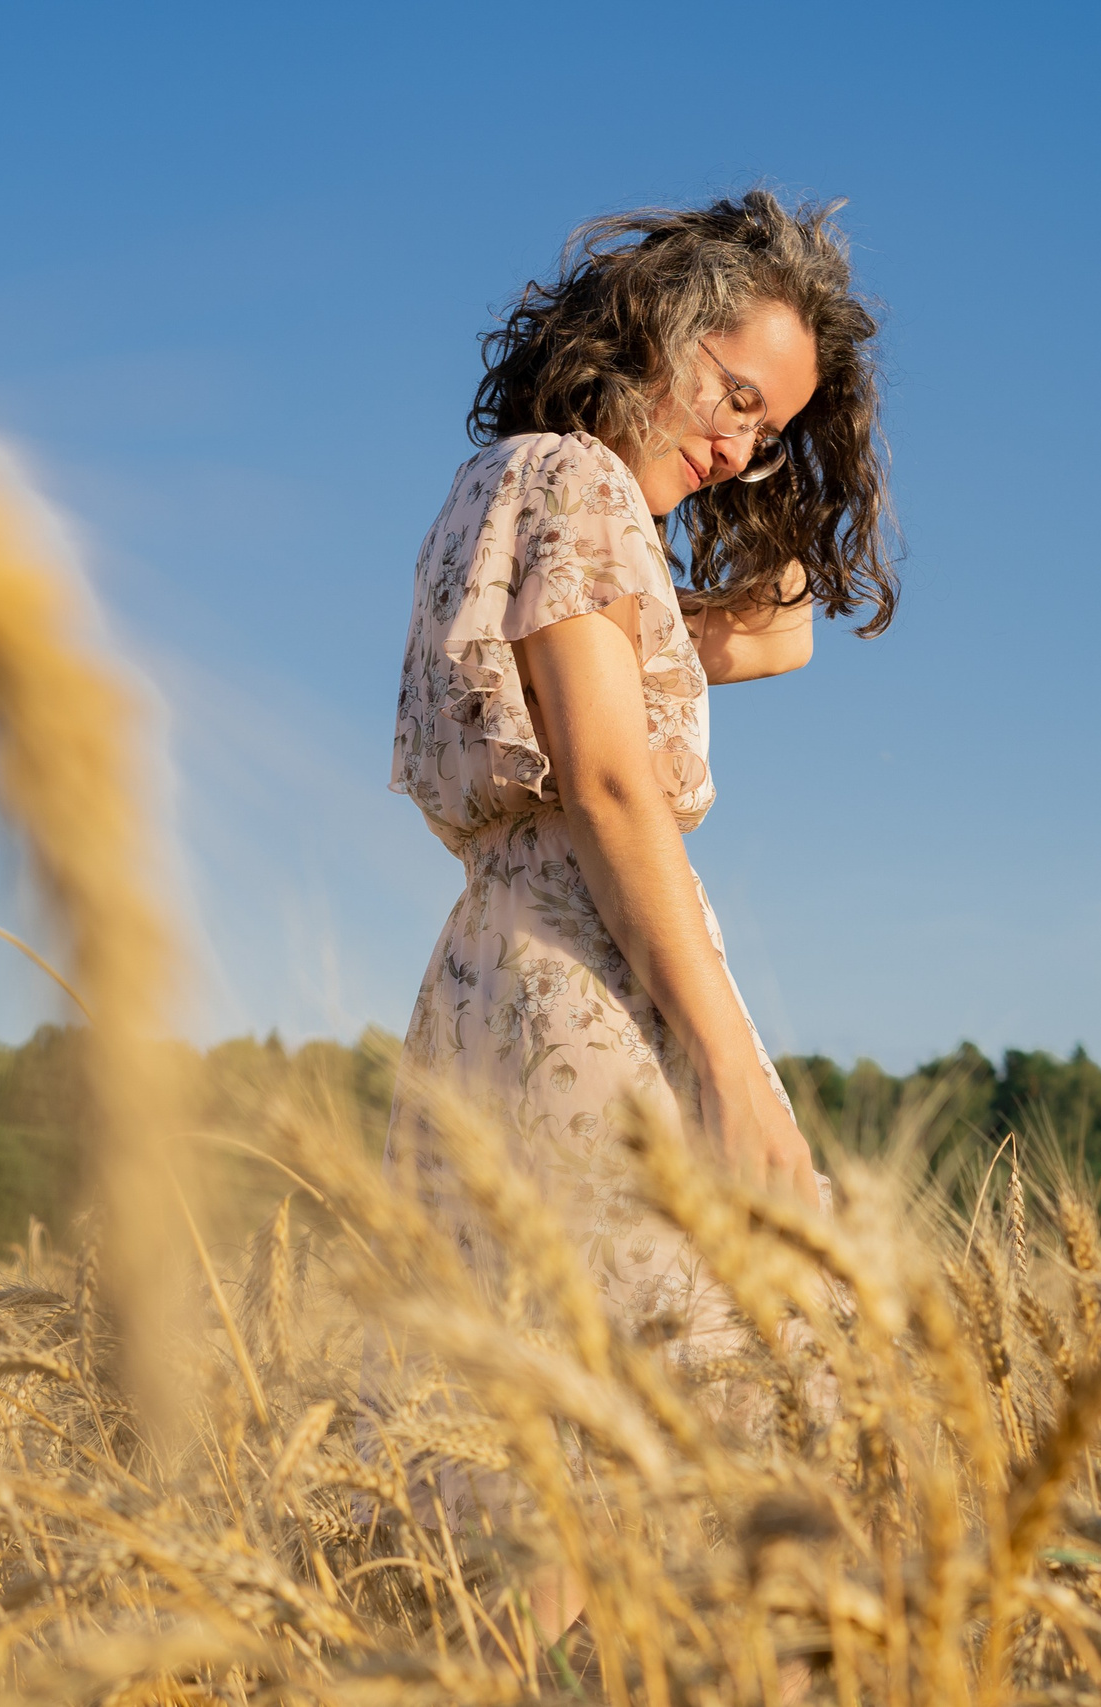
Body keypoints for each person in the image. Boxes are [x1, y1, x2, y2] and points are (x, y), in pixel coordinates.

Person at [381, 187, 895, 1653]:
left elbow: (773, 628)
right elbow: (609, 783)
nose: (743, 447)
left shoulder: (513, 495)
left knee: (564, 1457)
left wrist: (781, 468)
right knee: (656, 1425)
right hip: (599, 986)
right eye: (735, 398)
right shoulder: (574, 488)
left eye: (774, 430)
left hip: (497, 981)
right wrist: (732, 1073)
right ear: (658, 332)